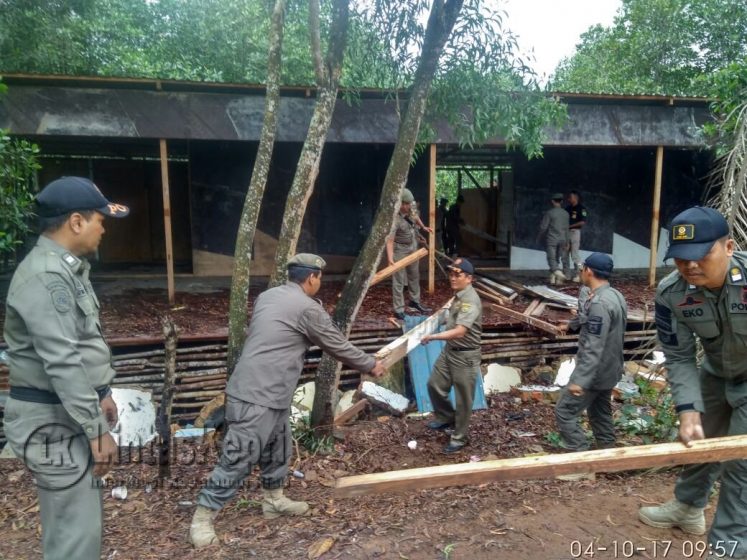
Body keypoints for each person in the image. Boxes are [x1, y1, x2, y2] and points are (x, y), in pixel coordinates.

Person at [190, 253, 385, 548]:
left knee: (278, 447)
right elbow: (335, 344)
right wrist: (370, 364)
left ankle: (274, 500)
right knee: (239, 456)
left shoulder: (268, 296)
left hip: (270, 391)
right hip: (258, 394)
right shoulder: (308, 309)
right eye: (319, 278)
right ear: (312, 278)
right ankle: (202, 519)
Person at [3, 176, 129, 560]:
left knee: (78, 524)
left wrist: (102, 394)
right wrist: (95, 430)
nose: (103, 227)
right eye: (99, 219)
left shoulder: (65, 269)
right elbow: (61, 360)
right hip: (50, 419)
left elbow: (79, 344)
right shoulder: (46, 276)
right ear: (76, 222)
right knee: (75, 534)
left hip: (63, 412)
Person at [639, 207, 747, 558]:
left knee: (740, 463)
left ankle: (730, 547)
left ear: (729, 247)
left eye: (702, 255)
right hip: (715, 375)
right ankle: (688, 507)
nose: (691, 266)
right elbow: (680, 356)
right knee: (699, 442)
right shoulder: (672, 294)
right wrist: (688, 410)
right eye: (682, 258)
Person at [555, 253, 627, 452]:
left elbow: (593, 346)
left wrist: (580, 380)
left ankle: (579, 458)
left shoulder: (599, 303)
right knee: (600, 412)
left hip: (594, 373)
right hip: (611, 368)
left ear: (589, 271)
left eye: (582, 268)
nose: (581, 272)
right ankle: (608, 456)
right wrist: (572, 324)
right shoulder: (615, 295)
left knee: (564, 412)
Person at [421, 258, 482, 454]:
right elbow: (448, 317)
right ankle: (446, 416)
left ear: (469, 278)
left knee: (464, 400)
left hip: (465, 356)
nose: (453, 278)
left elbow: (460, 331)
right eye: (451, 274)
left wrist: (433, 336)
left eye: (458, 274)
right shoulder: (458, 296)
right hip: (450, 352)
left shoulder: (470, 300)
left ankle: (459, 438)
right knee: (434, 385)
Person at [386, 188, 431, 320]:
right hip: (399, 250)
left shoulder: (411, 208)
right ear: (400, 203)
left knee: (414, 276)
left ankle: (414, 302)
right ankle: (398, 309)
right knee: (399, 281)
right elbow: (389, 241)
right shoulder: (394, 219)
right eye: (405, 203)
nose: (407, 206)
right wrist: (390, 259)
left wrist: (423, 227)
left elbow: (415, 217)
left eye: (409, 203)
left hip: (413, 248)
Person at [538, 193, 570, 285]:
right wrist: (567, 242)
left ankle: (558, 273)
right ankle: (555, 281)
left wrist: (539, 236)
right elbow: (567, 229)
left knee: (551, 259)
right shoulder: (566, 214)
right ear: (562, 201)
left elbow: (543, 227)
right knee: (556, 258)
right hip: (563, 239)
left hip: (552, 239)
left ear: (552, 201)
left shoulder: (550, 213)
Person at [565, 190, 588, 282]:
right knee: (564, 254)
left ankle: (580, 273)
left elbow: (582, 222)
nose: (569, 199)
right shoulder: (567, 208)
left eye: (570, 197)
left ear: (575, 197)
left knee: (575, 256)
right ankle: (567, 275)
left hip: (575, 232)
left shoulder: (582, 209)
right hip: (566, 233)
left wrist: (570, 226)